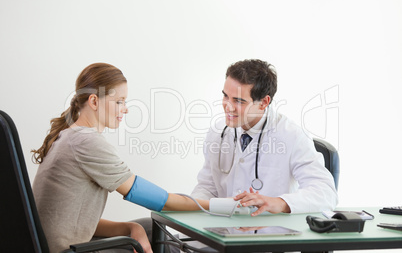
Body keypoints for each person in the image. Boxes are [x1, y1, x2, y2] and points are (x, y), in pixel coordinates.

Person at [31, 63, 208, 253]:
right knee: (163, 240)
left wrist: (132, 228)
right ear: (94, 101)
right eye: (119, 101)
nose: (125, 109)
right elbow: (161, 201)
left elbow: (73, 221)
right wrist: (216, 206)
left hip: (57, 246)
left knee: (149, 226)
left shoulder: (67, 136)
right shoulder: (86, 142)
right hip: (66, 251)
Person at [191, 59, 338, 216]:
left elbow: (325, 194)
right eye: (226, 96)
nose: (228, 106)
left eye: (239, 101)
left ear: (263, 102)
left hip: (272, 233)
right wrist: (193, 212)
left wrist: (279, 203)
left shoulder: (292, 136)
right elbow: (207, 187)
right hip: (222, 232)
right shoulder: (218, 132)